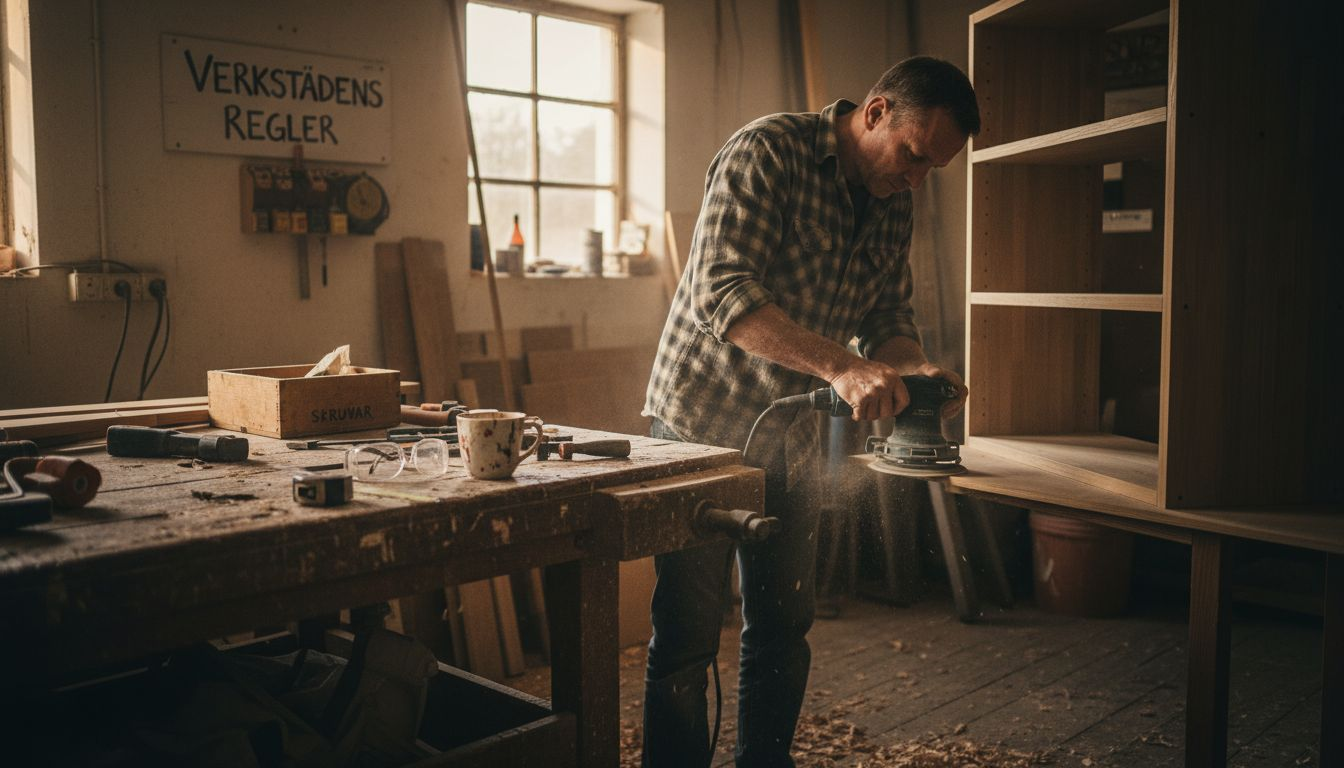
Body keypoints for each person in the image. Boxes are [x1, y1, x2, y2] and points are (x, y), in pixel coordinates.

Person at [640, 56, 981, 767]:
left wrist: (915, 369)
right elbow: (722, 294)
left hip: (789, 437)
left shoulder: (896, 198)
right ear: (877, 111)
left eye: (931, 170)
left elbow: (888, 314)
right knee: (687, 637)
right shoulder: (768, 152)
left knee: (783, 626)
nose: (915, 178)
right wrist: (844, 366)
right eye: (913, 156)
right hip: (699, 426)